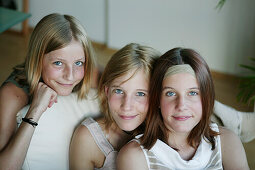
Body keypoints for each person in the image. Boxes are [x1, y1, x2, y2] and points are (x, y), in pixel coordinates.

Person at [117, 48, 249, 170]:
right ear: (157, 99)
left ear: (206, 98)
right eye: (170, 93)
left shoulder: (227, 142)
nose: (181, 106)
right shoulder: (134, 157)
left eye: (192, 93)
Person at [0, 13, 100, 170]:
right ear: (37, 59)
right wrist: (34, 111)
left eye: (78, 63)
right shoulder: (13, 94)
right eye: (58, 63)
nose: (70, 75)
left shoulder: (87, 73)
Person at [69, 43, 161, 170]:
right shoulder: (88, 139)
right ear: (107, 91)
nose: (126, 106)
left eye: (140, 94)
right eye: (118, 91)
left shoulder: (166, 135)